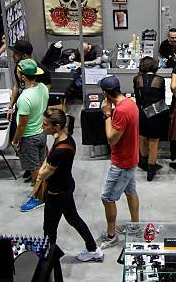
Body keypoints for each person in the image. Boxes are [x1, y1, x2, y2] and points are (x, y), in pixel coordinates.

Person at [37, 109, 104, 262]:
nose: (42, 126)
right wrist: (47, 163)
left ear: (57, 126)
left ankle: (48, 259)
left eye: (46, 124)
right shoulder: (67, 139)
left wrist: (45, 164)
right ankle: (93, 249)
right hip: (65, 187)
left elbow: (41, 175)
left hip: (57, 193)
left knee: (49, 228)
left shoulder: (59, 151)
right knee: (73, 219)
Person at [97, 75, 140, 250]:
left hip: (122, 162)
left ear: (106, 94)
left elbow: (111, 139)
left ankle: (111, 235)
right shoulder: (130, 103)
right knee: (131, 191)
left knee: (107, 198)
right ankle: (135, 226)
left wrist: (107, 115)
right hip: (131, 158)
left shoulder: (120, 112)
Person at [12, 59, 50, 212]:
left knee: (36, 172)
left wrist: (15, 141)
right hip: (41, 134)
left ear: (22, 76)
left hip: (29, 138)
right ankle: (43, 192)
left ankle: (40, 198)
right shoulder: (43, 88)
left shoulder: (24, 98)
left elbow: (22, 125)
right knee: (41, 167)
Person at [133, 57, 167, 181]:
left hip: (141, 113)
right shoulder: (160, 80)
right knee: (153, 143)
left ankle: (143, 163)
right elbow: (162, 99)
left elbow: (138, 99)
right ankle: (151, 170)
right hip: (155, 114)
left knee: (142, 139)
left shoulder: (137, 79)